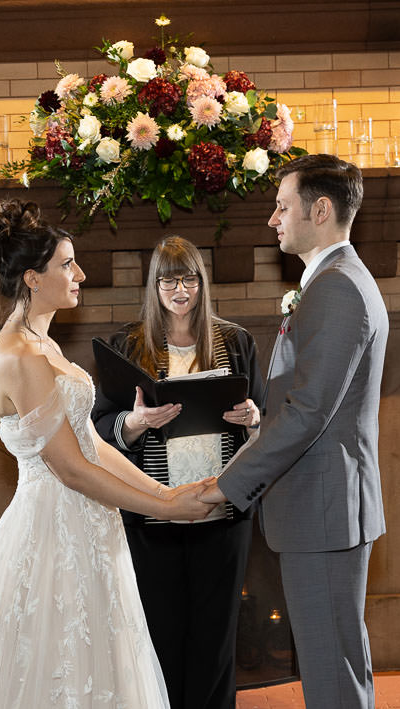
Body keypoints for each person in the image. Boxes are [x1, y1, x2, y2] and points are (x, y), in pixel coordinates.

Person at [0, 199, 214, 709]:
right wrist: (165, 510)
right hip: (53, 531)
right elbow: (69, 468)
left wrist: (163, 490)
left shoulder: (44, 345)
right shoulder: (20, 355)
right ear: (31, 278)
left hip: (89, 527)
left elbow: (87, 441)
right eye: (67, 264)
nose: (80, 274)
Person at [200, 154, 389, 709]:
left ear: (321, 209)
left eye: (282, 206)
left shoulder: (337, 288)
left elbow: (309, 412)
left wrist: (226, 484)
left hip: (324, 511)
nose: (272, 219)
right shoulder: (336, 280)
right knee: (338, 662)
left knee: (332, 672)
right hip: (325, 506)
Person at [91, 235, 265, 709]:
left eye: (189, 279)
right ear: (155, 285)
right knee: (160, 636)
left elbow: (266, 420)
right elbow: (99, 428)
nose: (180, 290)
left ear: (202, 283)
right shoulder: (127, 345)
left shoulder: (235, 341)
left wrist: (253, 419)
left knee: (215, 641)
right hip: (153, 519)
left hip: (222, 513)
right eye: (169, 280)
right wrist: (135, 422)